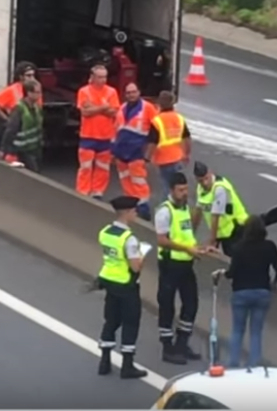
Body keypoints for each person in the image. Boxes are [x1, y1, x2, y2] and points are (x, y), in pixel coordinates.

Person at [212, 215, 277, 368]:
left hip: (241, 293)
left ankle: (233, 362)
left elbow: (232, 273)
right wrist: (274, 282)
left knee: (238, 329)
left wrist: (222, 273)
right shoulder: (269, 246)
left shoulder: (239, 248)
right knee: (256, 331)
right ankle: (254, 364)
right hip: (262, 292)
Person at [154, 172, 209, 365]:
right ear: (171, 190)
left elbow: (186, 233)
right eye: (181, 190)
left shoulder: (185, 207)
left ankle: (182, 343)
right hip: (171, 265)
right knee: (167, 305)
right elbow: (162, 240)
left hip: (186, 263)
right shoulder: (164, 211)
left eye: (186, 189)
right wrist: (187, 248)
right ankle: (167, 347)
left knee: (191, 303)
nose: (185, 193)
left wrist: (198, 246)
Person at [96, 195, 149, 379]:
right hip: (127, 285)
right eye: (134, 211)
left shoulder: (105, 232)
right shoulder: (130, 239)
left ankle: (104, 361)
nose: (136, 213)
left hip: (109, 282)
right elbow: (135, 266)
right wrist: (142, 255)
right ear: (126, 213)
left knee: (111, 320)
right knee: (130, 322)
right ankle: (127, 366)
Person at [113, 83, 158, 220]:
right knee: (126, 182)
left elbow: (155, 133)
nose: (131, 95)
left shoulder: (148, 108)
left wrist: (148, 155)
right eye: (128, 93)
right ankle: (132, 209)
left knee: (138, 182)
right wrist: (114, 152)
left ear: (139, 92)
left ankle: (143, 210)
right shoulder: (122, 109)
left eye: (133, 92)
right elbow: (117, 131)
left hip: (137, 152)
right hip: (122, 154)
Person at [76, 64, 120, 199]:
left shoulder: (112, 92)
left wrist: (95, 108)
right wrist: (104, 107)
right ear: (93, 78)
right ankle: (82, 192)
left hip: (106, 136)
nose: (103, 80)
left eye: (105, 77)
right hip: (88, 136)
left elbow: (114, 112)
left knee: (103, 168)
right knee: (85, 167)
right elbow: (85, 112)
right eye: (100, 77)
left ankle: (97, 192)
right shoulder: (84, 91)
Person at [192, 161, 249, 256]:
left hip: (237, 229)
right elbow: (198, 212)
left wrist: (211, 242)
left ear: (210, 173)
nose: (204, 183)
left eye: (206, 178)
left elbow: (215, 216)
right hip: (223, 231)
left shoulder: (220, 188)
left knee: (237, 259)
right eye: (201, 181)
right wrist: (190, 236)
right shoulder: (200, 188)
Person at [145, 91, 192, 197]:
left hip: (164, 160)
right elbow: (187, 138)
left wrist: (147, 159)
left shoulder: (157, 121)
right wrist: (187, 154)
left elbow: (152, 143)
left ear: (159, 104)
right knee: (177, 186)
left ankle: (167, 210)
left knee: (167, 187)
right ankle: (179, 208)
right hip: (178, 158)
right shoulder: (179, 118)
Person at [0, 80, 44, 171]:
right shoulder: (19, 109)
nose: (40, 95)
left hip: (32, 149)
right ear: (29, 93)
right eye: (37, 92)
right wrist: (3, 150)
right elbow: (11, 130)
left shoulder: (36, 108)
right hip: (20, 151)